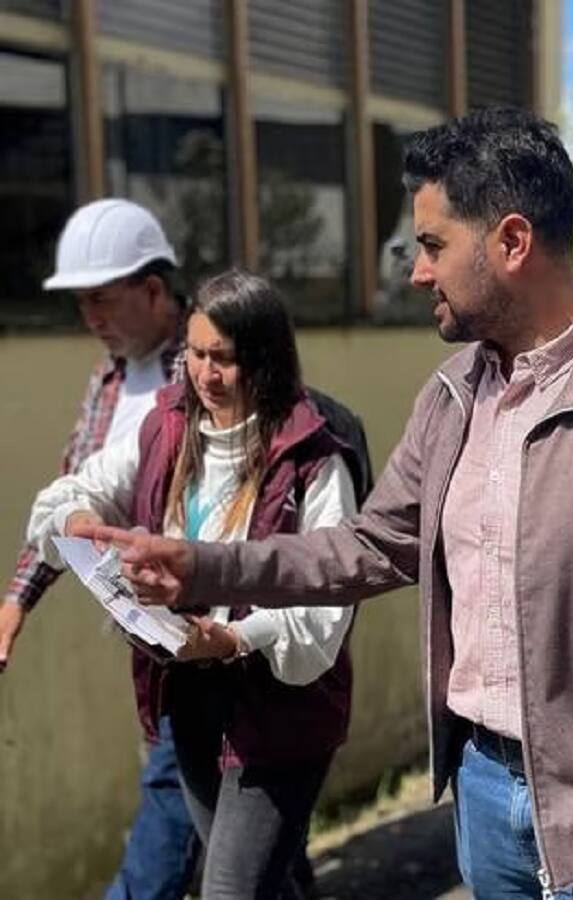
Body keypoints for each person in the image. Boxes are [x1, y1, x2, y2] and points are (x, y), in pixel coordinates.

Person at [85, 108, 573, 900]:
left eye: (432, 245)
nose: (416, 272)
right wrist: (202, 564)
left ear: (512, 242)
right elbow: (365, 547)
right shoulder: (454, 396)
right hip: (487, 806)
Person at [28, 270, 358, 898]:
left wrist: (231, 639)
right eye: (196, 354)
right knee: (268, 883)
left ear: (264, 358)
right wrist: (83, 522)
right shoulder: (167, 428)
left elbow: (325, 607)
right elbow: (68, 493)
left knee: (230, 889)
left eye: (225, 359)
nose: (206, 375)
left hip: (280, 714)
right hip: (190, 703)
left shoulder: (315, 461)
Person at [0, 198, 203, 899]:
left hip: (208, 636)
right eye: (79, 303)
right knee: (229, 826)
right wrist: (17, 601)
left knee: (167, 824)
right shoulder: (109, 379)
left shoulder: (209, 365)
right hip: (144, 636)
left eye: (101, 299)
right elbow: (70, 491)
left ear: (153, 290)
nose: (90, 318)